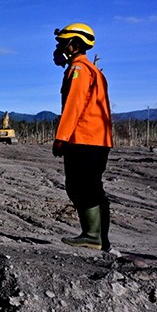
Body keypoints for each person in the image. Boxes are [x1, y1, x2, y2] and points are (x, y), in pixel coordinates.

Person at [51, 23, 113, 251]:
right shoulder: (93, 70)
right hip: (98, 139)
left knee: (81, 187)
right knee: (91, 187)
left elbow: (74, 105)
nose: (59, 49)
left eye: (62, 44)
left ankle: (92, 236)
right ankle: (98, 237)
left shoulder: (79, 70)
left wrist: (62, 137)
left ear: (75, 45)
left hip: (84, 139)